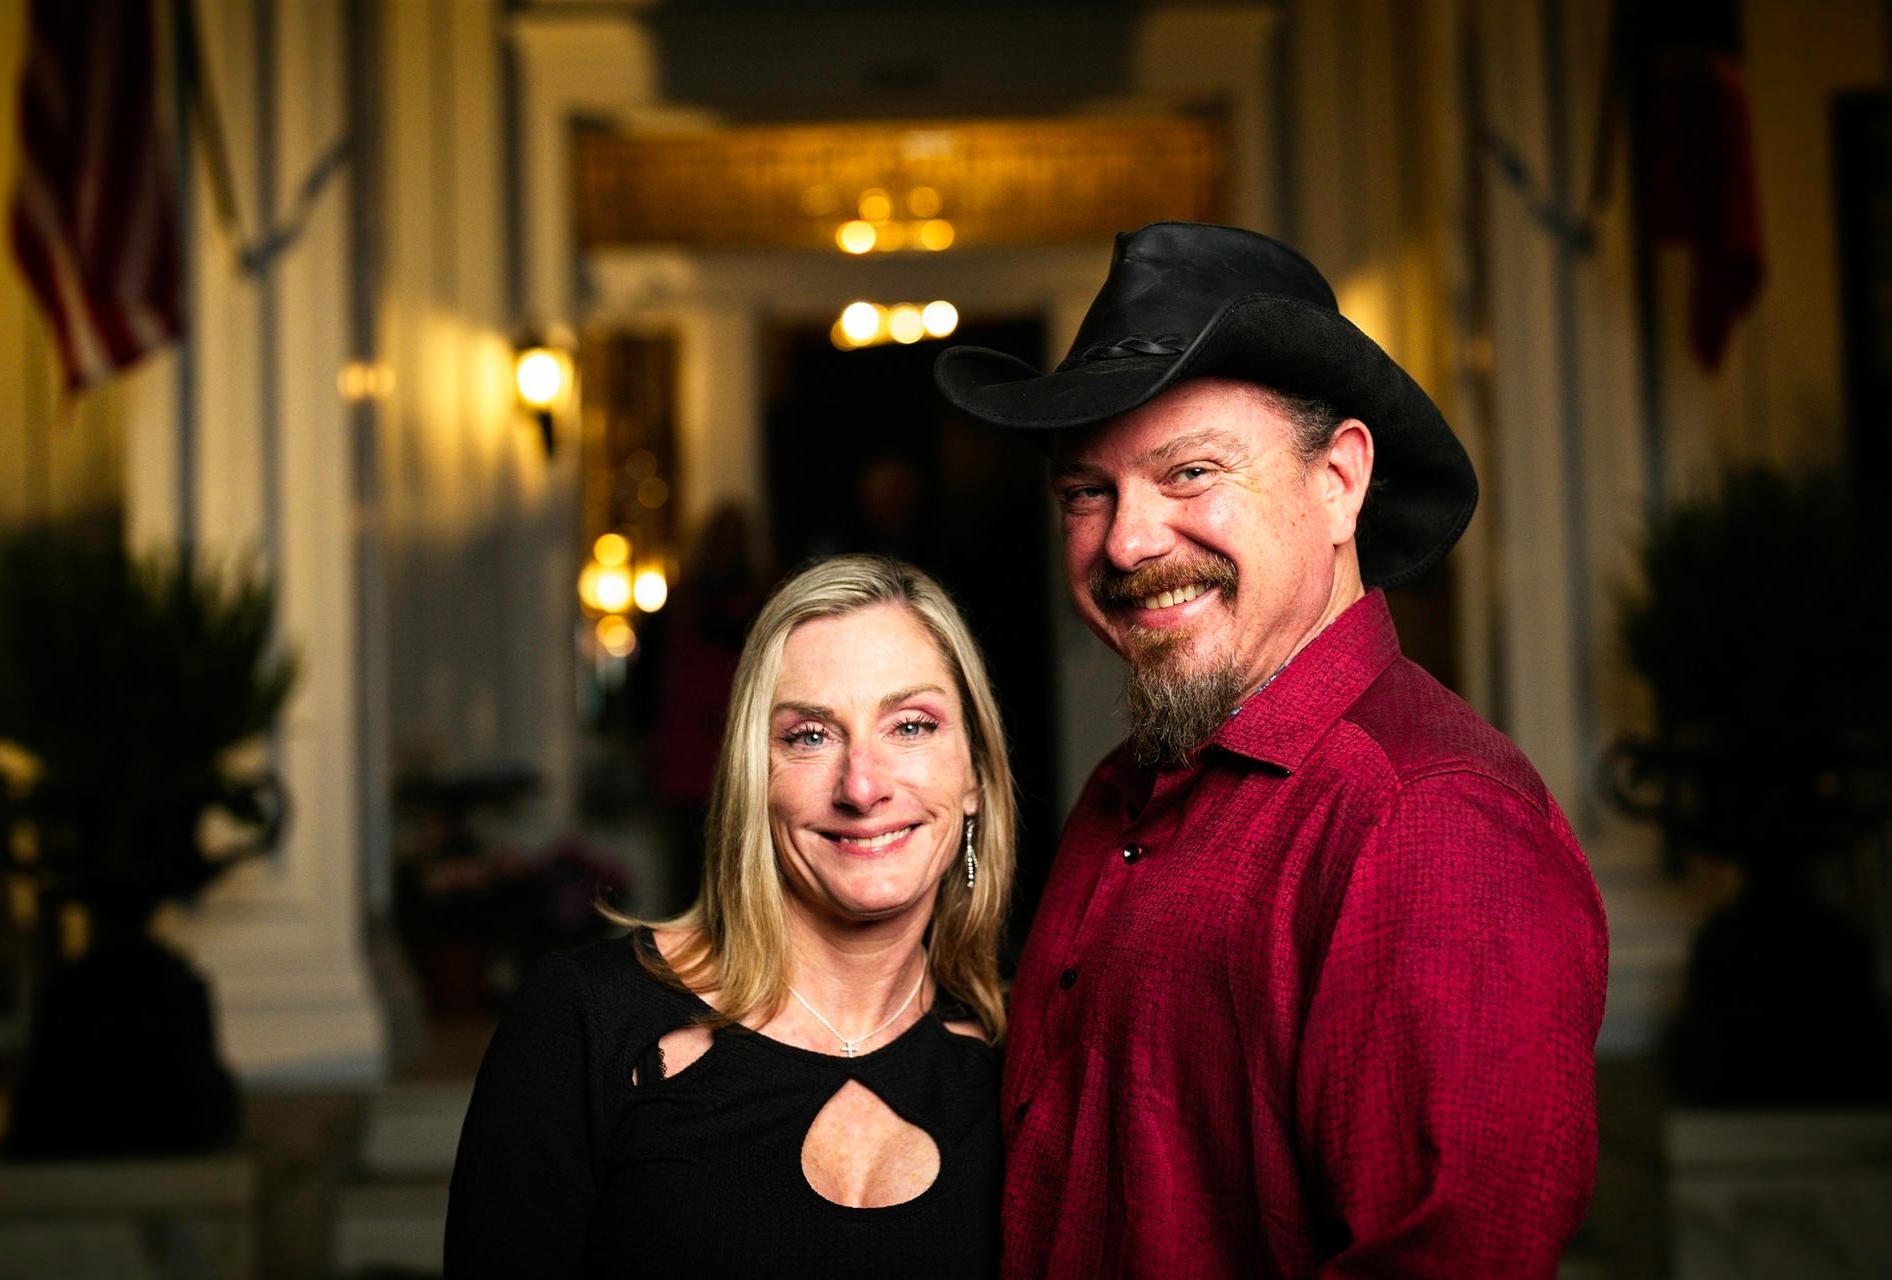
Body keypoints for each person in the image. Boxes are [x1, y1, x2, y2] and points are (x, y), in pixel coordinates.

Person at [935, 222, 1608, 1277]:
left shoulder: (1428, 820)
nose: (1125, 540)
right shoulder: (1129, 788)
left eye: (1191, 471)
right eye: (1086, 492)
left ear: (1339, 480)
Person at [444, 555, 1016, 1277]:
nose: (862, 786)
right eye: (809, 735)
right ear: (754, 777)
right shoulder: (587, 1022)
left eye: (910, 725)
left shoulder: (1015, 1061)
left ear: (975, 777)